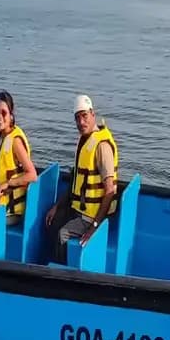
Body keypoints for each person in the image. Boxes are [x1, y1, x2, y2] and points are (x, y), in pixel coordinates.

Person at [45, 94, 118, 264]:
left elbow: (110, 191)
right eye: (77, 118)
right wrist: (56, 207)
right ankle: (49, 266)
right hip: (78, 209)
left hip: (91, 216)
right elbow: (75, 183)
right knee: (50, 221)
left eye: (84, 116)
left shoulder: (102, 146)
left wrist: (94, 227)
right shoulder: (85, 141)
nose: (81, 122)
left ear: (93, 114)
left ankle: (63, 275)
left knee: (63, 234)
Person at [0, 90, 37, 225]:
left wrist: (9, 183)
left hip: (11, 209)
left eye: (4, 113)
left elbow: (32, 175)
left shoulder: (15, 141)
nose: (0, 117)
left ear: (11, 114)